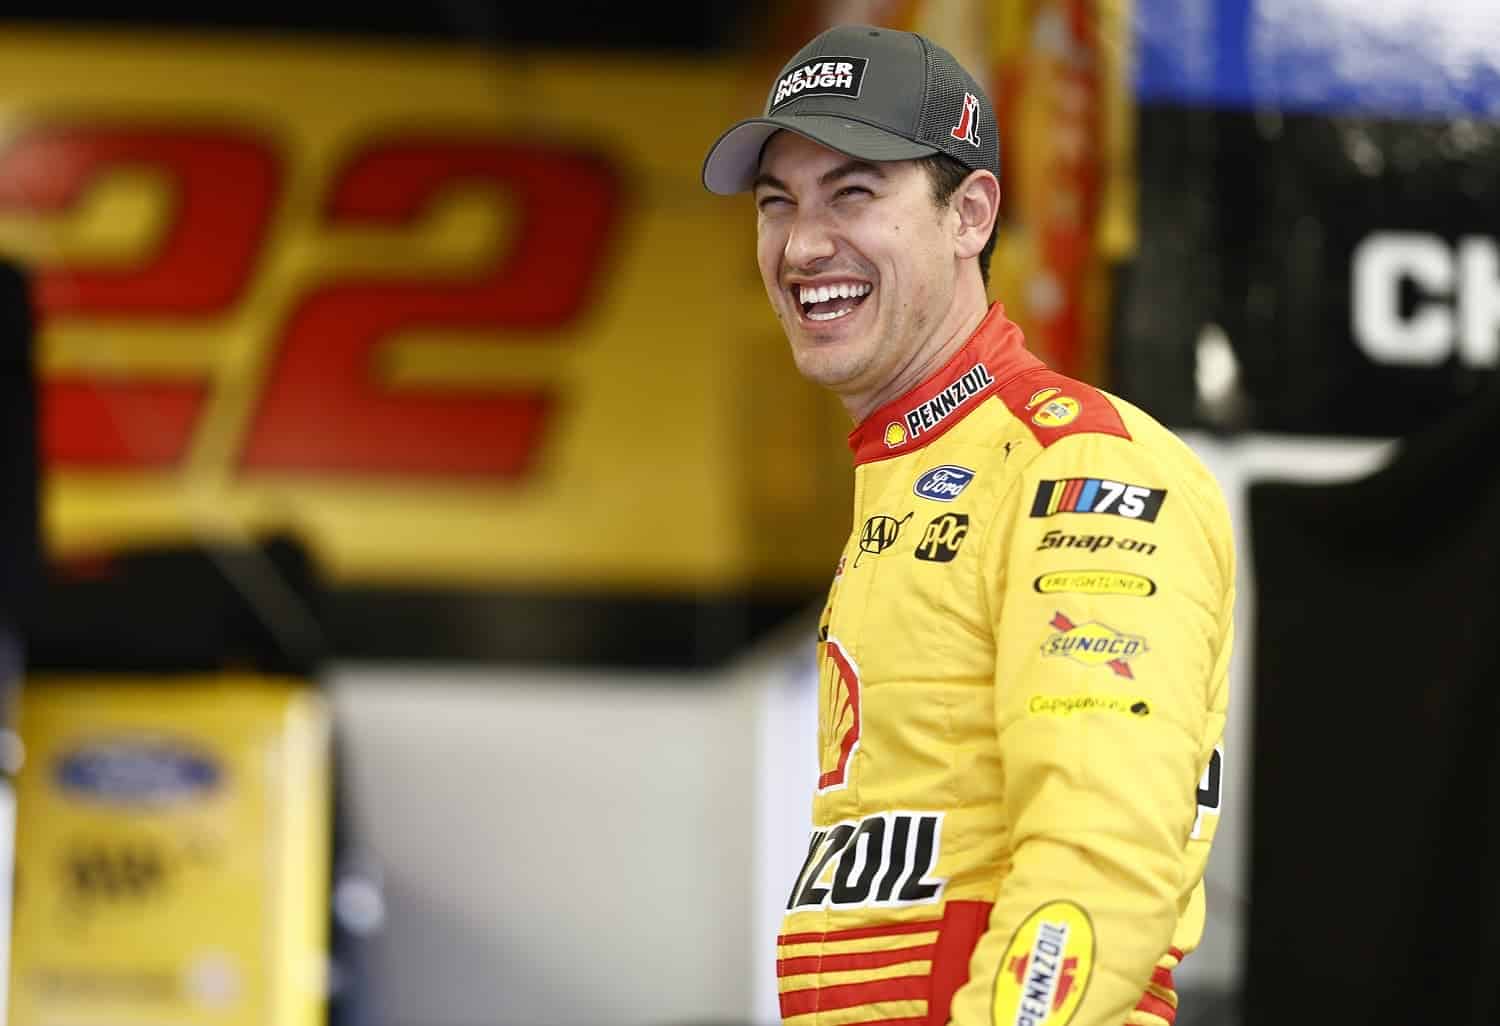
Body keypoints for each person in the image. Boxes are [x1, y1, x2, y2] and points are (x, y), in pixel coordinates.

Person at [702, 24, 1234, 1026]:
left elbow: (1100, 865)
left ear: (971, 213)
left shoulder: (1075, 468)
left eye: (853, 194)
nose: (803, 242)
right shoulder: (910, 478)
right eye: (779, 204)